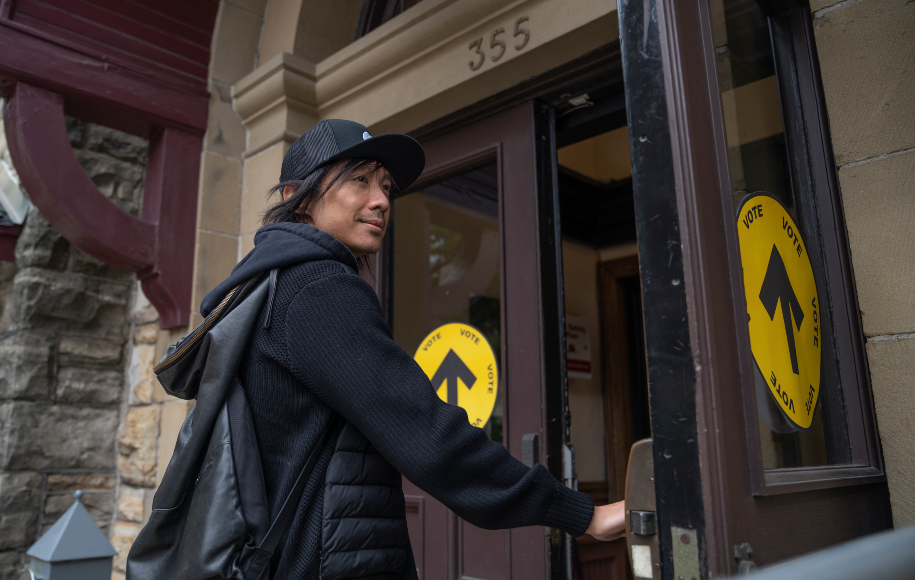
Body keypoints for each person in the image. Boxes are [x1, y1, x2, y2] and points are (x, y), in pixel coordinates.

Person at [199, 119, 626, 579]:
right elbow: (427, 434)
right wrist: (583, 514)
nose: (382, 200)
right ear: (295, 199)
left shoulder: (266, 287)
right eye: (360, 179)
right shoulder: (318, 288)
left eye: (385, 185)